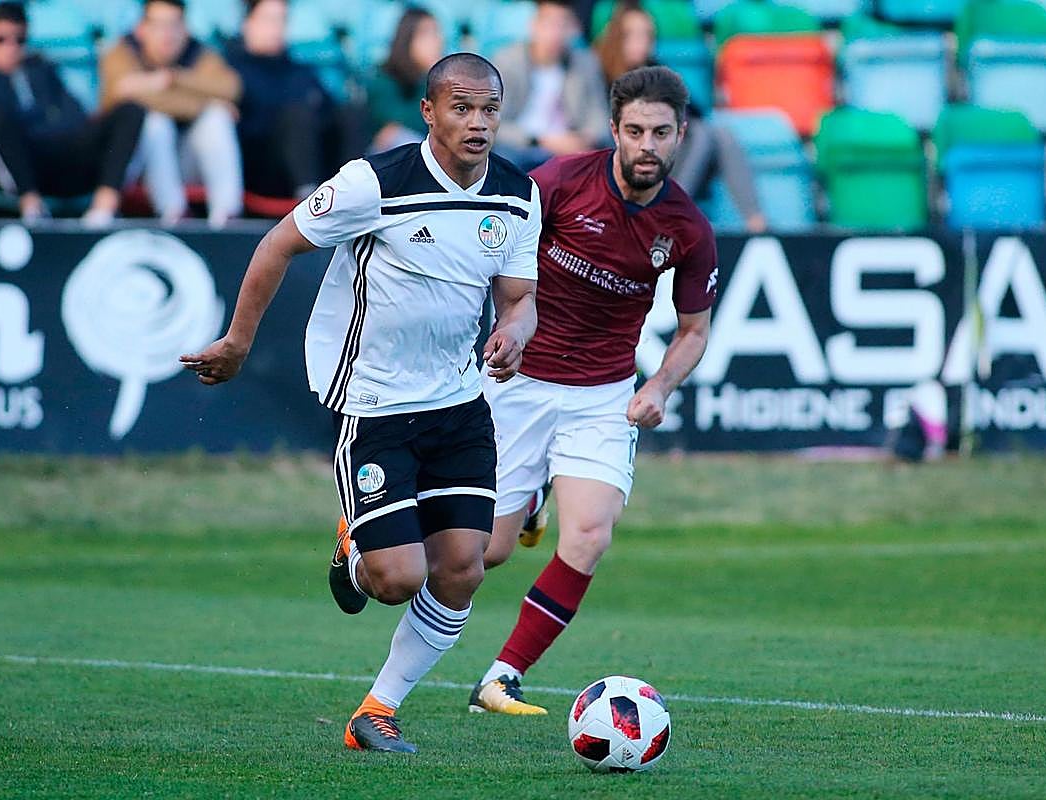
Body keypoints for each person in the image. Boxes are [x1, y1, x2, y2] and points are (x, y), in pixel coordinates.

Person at [179, 53, 542, 753]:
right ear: (428, 112)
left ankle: (376, 710)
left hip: (459, 403)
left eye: (489, 110)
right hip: (375, 403)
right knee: (395, 580)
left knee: (467, 563)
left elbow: (520, 299)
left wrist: (512, 332)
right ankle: (354, 551)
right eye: (461, 108)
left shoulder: (516, 194)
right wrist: (237, 342)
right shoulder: (373, 181)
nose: (477, 123)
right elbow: (278, 245)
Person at [466, 66, 717, 715]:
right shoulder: (557, 184)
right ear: (613, 130)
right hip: (517, 382)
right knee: (481, 554)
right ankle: (521, 511)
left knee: (589, 537)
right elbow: (497, 262)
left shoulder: (687, 229)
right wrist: (507, 329)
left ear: (680, 134)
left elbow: (693, 332)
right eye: (635, 131)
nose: (647, 146)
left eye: (661, 133)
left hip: (603, 394)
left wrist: (659, 385)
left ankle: (502, 676)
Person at [0, 1, 144, 226]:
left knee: (130, 111)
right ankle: (31, 206)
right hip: (18, 163)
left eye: (20, 40)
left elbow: (75, 115)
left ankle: (103, 209)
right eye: (1, 39)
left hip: (57, 154)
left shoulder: (41, 69)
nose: (11, 47)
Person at [593, 1, 767, 233]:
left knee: (718, 135)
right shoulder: (597, 70)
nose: (641, 43)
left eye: (646, 35)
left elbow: (692, 111)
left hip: (661, 153)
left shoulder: (655, 72)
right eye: (632, 35)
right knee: (702, 135)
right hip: (617, 153)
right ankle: (668, 210)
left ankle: (756, 223)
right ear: (616, 37)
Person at [99, 0, 243, 227]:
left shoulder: (200, 54)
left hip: (186, 160)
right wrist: (199, 99)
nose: (167, 34)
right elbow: (119, 94)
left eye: (174, 25)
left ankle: (226, 217)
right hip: (135, 165)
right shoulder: (121, 52)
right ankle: (174, 214)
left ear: (185, 28)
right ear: (141, 28)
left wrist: (172, 79)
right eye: (158, 25)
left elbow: (231, 88)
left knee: (217, 117)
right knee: (154, 122)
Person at [226, 0, 361, 200]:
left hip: (314, 157)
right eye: (269, 20)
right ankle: (308, 198)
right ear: (247, 23)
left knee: (351, 112)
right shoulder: (229, 68)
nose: (276, 28)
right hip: (260, 162)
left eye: (282, 20)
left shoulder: (299, 70)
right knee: (297, 115)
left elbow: (328, 111)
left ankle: (356, 191)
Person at [492, 0, 609, 171]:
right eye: (549, 24)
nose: (556, 33)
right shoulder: (508, 61)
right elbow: (494, 121)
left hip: (569, 149)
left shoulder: (584, 63)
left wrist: (584, 139)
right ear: (534, 25)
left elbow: (599, 117)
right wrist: (540, 140)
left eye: (563, 25)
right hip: (522, 147)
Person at [365, 6, 444, 153]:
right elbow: (395, 123)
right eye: (426, 34)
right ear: (408, 39)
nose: (437, 41)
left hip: (433, 154)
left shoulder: (443, 78)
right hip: (388, 157)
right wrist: (430, 78)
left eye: (436, 33)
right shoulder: (384, 76)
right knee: (399, 138)